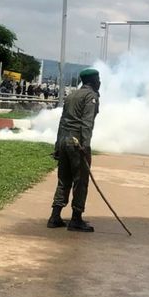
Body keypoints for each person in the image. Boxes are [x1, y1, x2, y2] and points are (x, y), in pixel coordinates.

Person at [47, 68, 101, 232]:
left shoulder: (71, 95)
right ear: (92, 81)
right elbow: (86, 123)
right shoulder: (90, 96)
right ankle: (76, 219)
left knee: (64, 180)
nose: (100, 82)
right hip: (77, 143)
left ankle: (55, 216)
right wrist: (85, 146)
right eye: (98, 79)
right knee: (81, 181)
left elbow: (62, 122)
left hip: (64, 140)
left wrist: (58, 146)